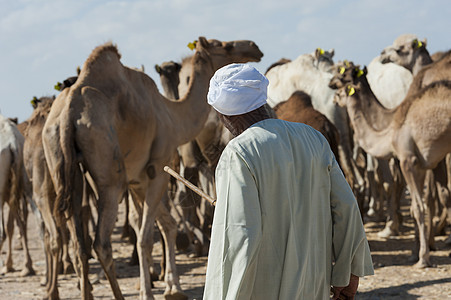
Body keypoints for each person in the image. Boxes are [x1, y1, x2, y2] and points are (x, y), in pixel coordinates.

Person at [203, 63, 374, 299]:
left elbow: (237, 235)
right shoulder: (314, 139)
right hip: (314, 286)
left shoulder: (239, 152)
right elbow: (346, 207)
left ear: (225, 114)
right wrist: (349, 273)